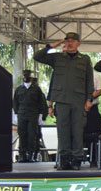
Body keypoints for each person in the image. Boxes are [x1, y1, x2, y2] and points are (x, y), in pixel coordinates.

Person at [33, 32, 94, 170]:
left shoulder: (84, 59)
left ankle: (77, 160)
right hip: (61, 100)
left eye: (73, 41)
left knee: (77, 131)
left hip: (78, 100)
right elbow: (37, 57)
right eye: (67, 41)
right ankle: (64, 160)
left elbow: (89, 80)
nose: (69, 43)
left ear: (78, 43)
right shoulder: (57, 57)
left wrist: (89, 99)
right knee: (62, 131)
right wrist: (52, 46)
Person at [13, 69, 48, 162]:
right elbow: (15, 102)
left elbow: (41, 103)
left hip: (33, 115)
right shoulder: (19, 89)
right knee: (22, 135)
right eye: (24, 75)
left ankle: (31, 155)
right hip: (22, 115)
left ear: (30, 77)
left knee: (32, 135)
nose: (26, 77)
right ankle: (22, 155)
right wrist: (16, 114)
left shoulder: (37, 89)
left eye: (27, 75)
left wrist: (41, 115)